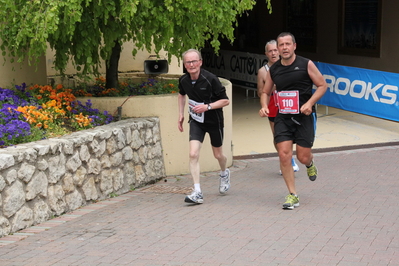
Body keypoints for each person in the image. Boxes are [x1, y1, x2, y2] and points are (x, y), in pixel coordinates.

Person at [259, 32, 327, 210]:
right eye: (281, 45)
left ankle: (310, 163)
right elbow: (265, 91)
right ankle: (292, 195)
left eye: (287, 44)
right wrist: (264, 105)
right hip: (283, 117)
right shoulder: (274, 69)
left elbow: (322, 85)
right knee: (284, 154)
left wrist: (310, 103)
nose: (284, 48)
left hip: (303, 117)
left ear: (294, 46)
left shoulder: (306, 64)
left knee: (303, 156)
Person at [178, 48, 231, 204]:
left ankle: (224, 172)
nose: (192, 64)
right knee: (193, 154)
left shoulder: (211, 79)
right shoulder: (183, 80)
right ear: (185, 64)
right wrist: (181, 114)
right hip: (196, 120)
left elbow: (225, 100)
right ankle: (197, 191)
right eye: (188, 62)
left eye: (194, 61)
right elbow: (181, 94)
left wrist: (207, 107)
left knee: (218, 155)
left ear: (200, 62)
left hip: (214, 120)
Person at [257, 40, 299, 174]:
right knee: (278, 136)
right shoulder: (263, 71)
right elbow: (260, 92)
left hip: (290, 104)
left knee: (293, 133)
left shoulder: (290, 66)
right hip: (273, 106)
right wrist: (269, 91)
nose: (273, 53)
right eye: (270, 51)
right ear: (266, 54)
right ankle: (286, 160)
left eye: (275, 50)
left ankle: (292, 156)